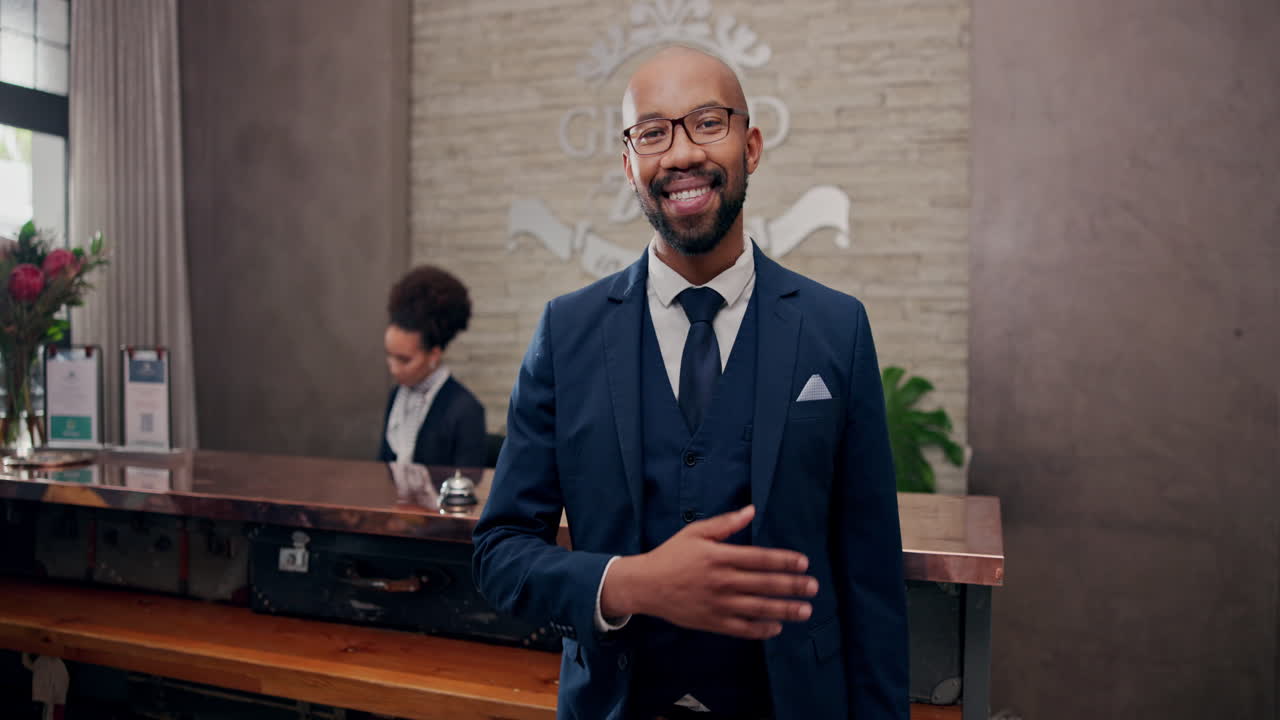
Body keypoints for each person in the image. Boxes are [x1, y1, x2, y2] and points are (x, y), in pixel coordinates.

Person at [474, 46, 907, 720]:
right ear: (628, 164)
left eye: (708, 122)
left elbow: (872, 574)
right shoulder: (567, 332)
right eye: (652, 132)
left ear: (751, 145)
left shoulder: (836, 328)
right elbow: (500, 553)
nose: (679, 154)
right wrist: (627, 583)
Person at [378, 265, 486, 468]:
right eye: (389, 356)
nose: (393, 368)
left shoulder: (466, 410)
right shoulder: (396, 396)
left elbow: (468, 490)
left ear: (434, 355)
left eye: (404, 360)